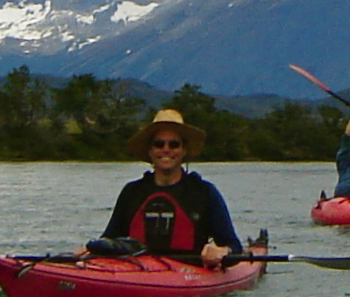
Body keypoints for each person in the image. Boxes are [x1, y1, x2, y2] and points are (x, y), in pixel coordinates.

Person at [100, 108, 245, 266]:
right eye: (159, 144)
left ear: (183, 150)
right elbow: (109, 238)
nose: (166, 150)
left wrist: (223, 251)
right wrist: (92, 250)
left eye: (174, 144)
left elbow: (234, 246)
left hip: (190, 272)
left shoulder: (205, 192)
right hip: (137, 270)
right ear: (150, 150)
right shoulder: (132, 192)